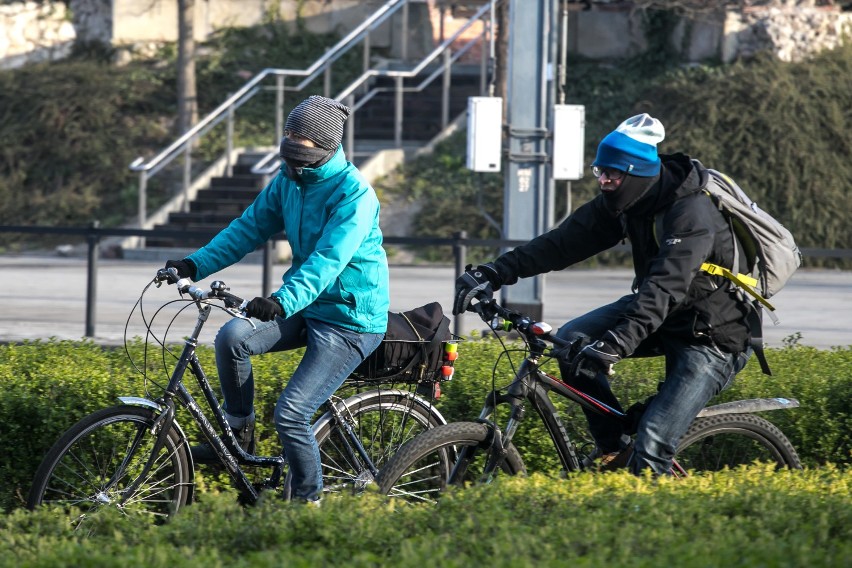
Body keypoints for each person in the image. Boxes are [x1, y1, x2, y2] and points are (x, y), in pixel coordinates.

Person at [453, 113, 753, 475]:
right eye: (600, 172)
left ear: (638, 172)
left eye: (613, 174)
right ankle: (612, 448)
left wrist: (616, 343)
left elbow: (664, 287)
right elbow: (561, 244)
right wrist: (495, 271)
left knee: (655, 439)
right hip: (663, 318)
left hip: (712, 335)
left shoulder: (690, 213)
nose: (605, 181)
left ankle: (651, 518)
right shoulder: (628, 203)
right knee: (570, 342)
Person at [164, 95, 389, 503]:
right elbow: (246, 230)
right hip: (307, 305)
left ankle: (307, 502)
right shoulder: (288, 181)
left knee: (291, 413)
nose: (293, 166)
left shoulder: (354, 195)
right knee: (232, 338)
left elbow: (328, 260)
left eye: (303, 158)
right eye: (288, 153)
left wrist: (282, 301)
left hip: (349, 320)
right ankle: (239, 433)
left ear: (327, 150)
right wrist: (192, 265)